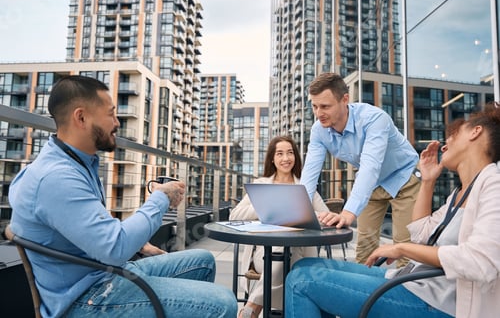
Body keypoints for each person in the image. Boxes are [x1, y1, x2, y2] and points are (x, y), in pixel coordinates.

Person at [8, 75, 237, 318]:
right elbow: (114, 248)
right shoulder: (57, 178)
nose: (117, 123)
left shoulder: (75, 164)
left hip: (102, 273)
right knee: (222, 303)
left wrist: (138, 244)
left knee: (203, 260)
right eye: (110, 114)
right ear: (81, 117)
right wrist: (160, 198)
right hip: (85, 298)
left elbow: (90, 228)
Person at [285, 103, 500, 318]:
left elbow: (481, 262)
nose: (445, 145)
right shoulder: (460, 193)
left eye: (454, 134)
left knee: (301, 281)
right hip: (411, 281)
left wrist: (402, 249)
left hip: (433, 302)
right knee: (306, 265)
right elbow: (421, 235)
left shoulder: (493, 186)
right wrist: (427, 181)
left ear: (475, 132)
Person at [300, 72, 421, 266]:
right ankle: (366, 295)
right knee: (365, 249)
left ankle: (401, 293)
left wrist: (349, 212)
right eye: (314, 106)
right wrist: (300, 210)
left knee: (404, 248)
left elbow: (370, 166)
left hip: (403, 178)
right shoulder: (318, 130)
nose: (318, 113)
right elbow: (310, 172)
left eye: (325, 106)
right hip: (372, 185)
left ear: (345, 99)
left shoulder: (374, 119)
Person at [229, 136, 331, 318]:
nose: (286, 158)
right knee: (281, 254)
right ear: (272, 159)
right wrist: (266, 206)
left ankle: (252, 307)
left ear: (296, 157)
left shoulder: (305, 186)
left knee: (288, 252)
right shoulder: (261, 185)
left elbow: (327, 218)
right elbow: (234, 216)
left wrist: (302, 212)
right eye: (280, 153)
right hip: (264, 253)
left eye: (290, 153)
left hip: (300, 253)